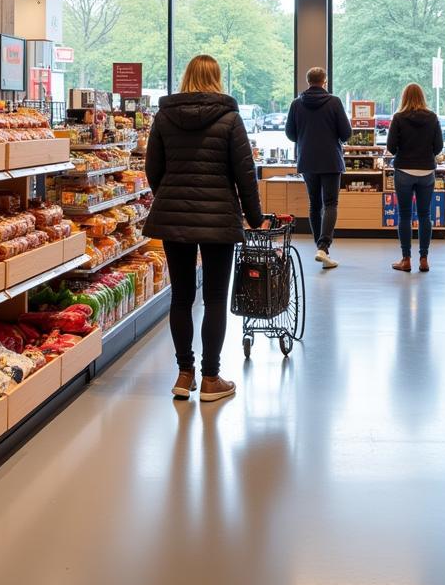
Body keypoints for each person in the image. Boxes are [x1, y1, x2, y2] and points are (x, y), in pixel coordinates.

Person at [144, 54, 264, 403]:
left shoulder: (164, 116)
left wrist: (170, 197)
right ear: (216, 78)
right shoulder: (229, 118)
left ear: (186, 77)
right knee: (214, 299)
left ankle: (184, 374)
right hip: (218, 220)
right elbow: (246, 175)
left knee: (181, 297)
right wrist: (255, 218)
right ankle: (211, 379)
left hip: (174, 217)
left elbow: (154, 169)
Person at [285, 66, 352, 269]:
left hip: (308, 160)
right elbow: (346, 133)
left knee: (314, 204)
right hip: (331, 160)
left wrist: (304, 138)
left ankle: (320, 248)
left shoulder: (296, 104)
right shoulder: (334, 102)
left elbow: (290, 133)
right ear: (325, 81)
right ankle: (323, 247)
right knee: (330, 203)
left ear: (308, 81)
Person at [386, 83, 443, 273]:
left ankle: (406, 259)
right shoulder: (433, 118)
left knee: (404, 215)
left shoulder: (398, 118)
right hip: (426, 171)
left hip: (404, 171)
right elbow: (439, 147)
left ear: (404, 98)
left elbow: (391, 148)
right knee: (425, 215)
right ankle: (424, 259)